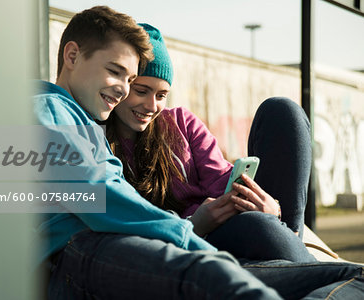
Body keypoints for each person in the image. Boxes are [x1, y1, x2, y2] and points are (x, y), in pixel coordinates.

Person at [34, 7, 363, 299]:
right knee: (219, 274)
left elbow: (102, 194)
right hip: (83, 251)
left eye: (131, 79)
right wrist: (190, 234)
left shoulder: (89, 119)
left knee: (341, 272)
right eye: (120, 75)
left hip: (126, 243)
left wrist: (266, 207)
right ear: (72, 56)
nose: (123, 88)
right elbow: (101, 195)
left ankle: (301, 250)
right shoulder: (51, 110)